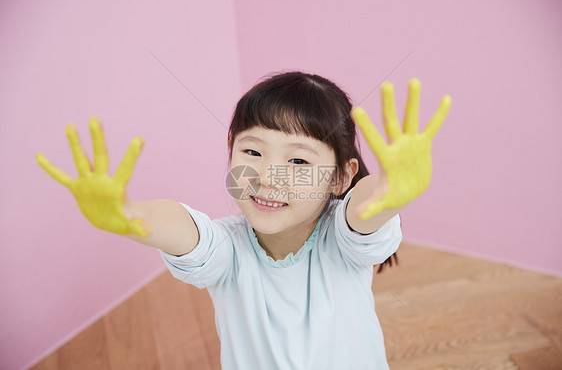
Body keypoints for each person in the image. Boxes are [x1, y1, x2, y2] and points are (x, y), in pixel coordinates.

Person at [36, 70, 451, 369]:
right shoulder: (228, 249)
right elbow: (183, 226)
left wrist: (390, 189)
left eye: (298, 159)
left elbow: (364, 210)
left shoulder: (342, 241)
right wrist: (130, 215)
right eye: (252, 152)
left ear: (340, 177)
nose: (268, 175)